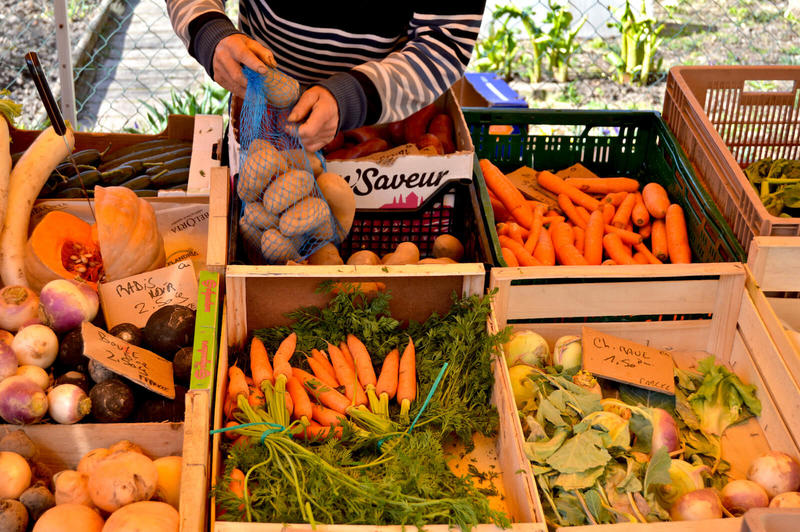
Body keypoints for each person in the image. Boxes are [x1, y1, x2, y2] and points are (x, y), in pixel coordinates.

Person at [166, 2, 487, 151]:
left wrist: (353, 98)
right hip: (263, 116)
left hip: (384, 124)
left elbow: (445, 41)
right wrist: (209, 32)